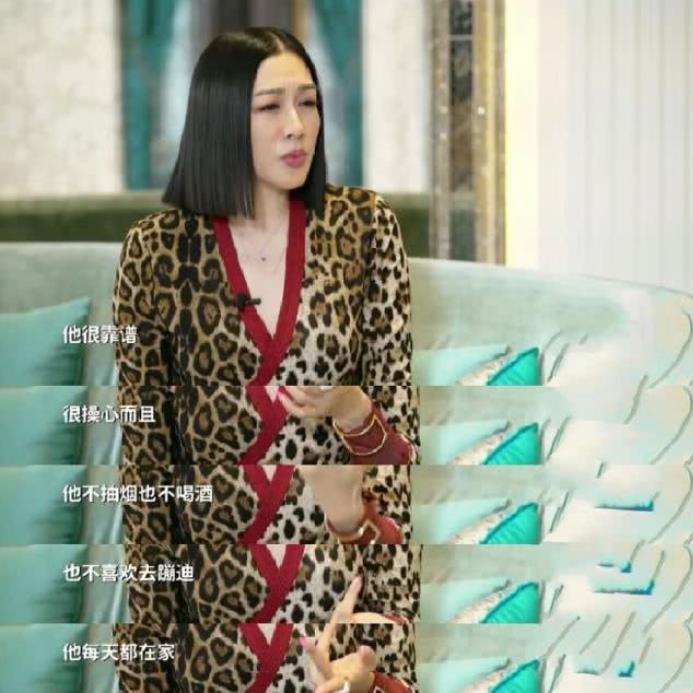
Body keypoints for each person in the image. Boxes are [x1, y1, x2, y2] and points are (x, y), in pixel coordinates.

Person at [112, 27, 420, 692]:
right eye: (270, 107)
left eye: (307, 103)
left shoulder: (365, 229)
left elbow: (400, 463)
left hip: (337, 613)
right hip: (209, 633)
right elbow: (145, 478)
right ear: (222, 118)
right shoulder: (156, 252)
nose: (296, 126)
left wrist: (381, 666)